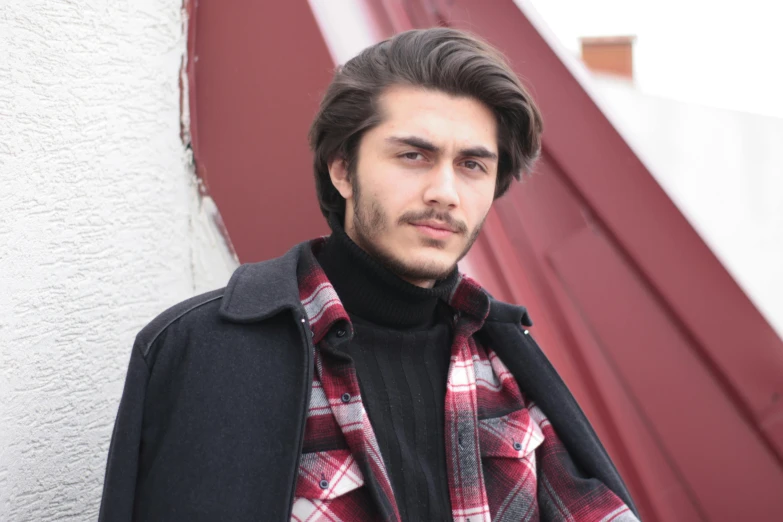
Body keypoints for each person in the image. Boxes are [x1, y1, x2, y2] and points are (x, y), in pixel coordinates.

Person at [99, 28, 639, 522]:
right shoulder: (202, 351)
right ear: (342, 168)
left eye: (472, 165)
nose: (445, 193)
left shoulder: (509, 361)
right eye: (413, 155)